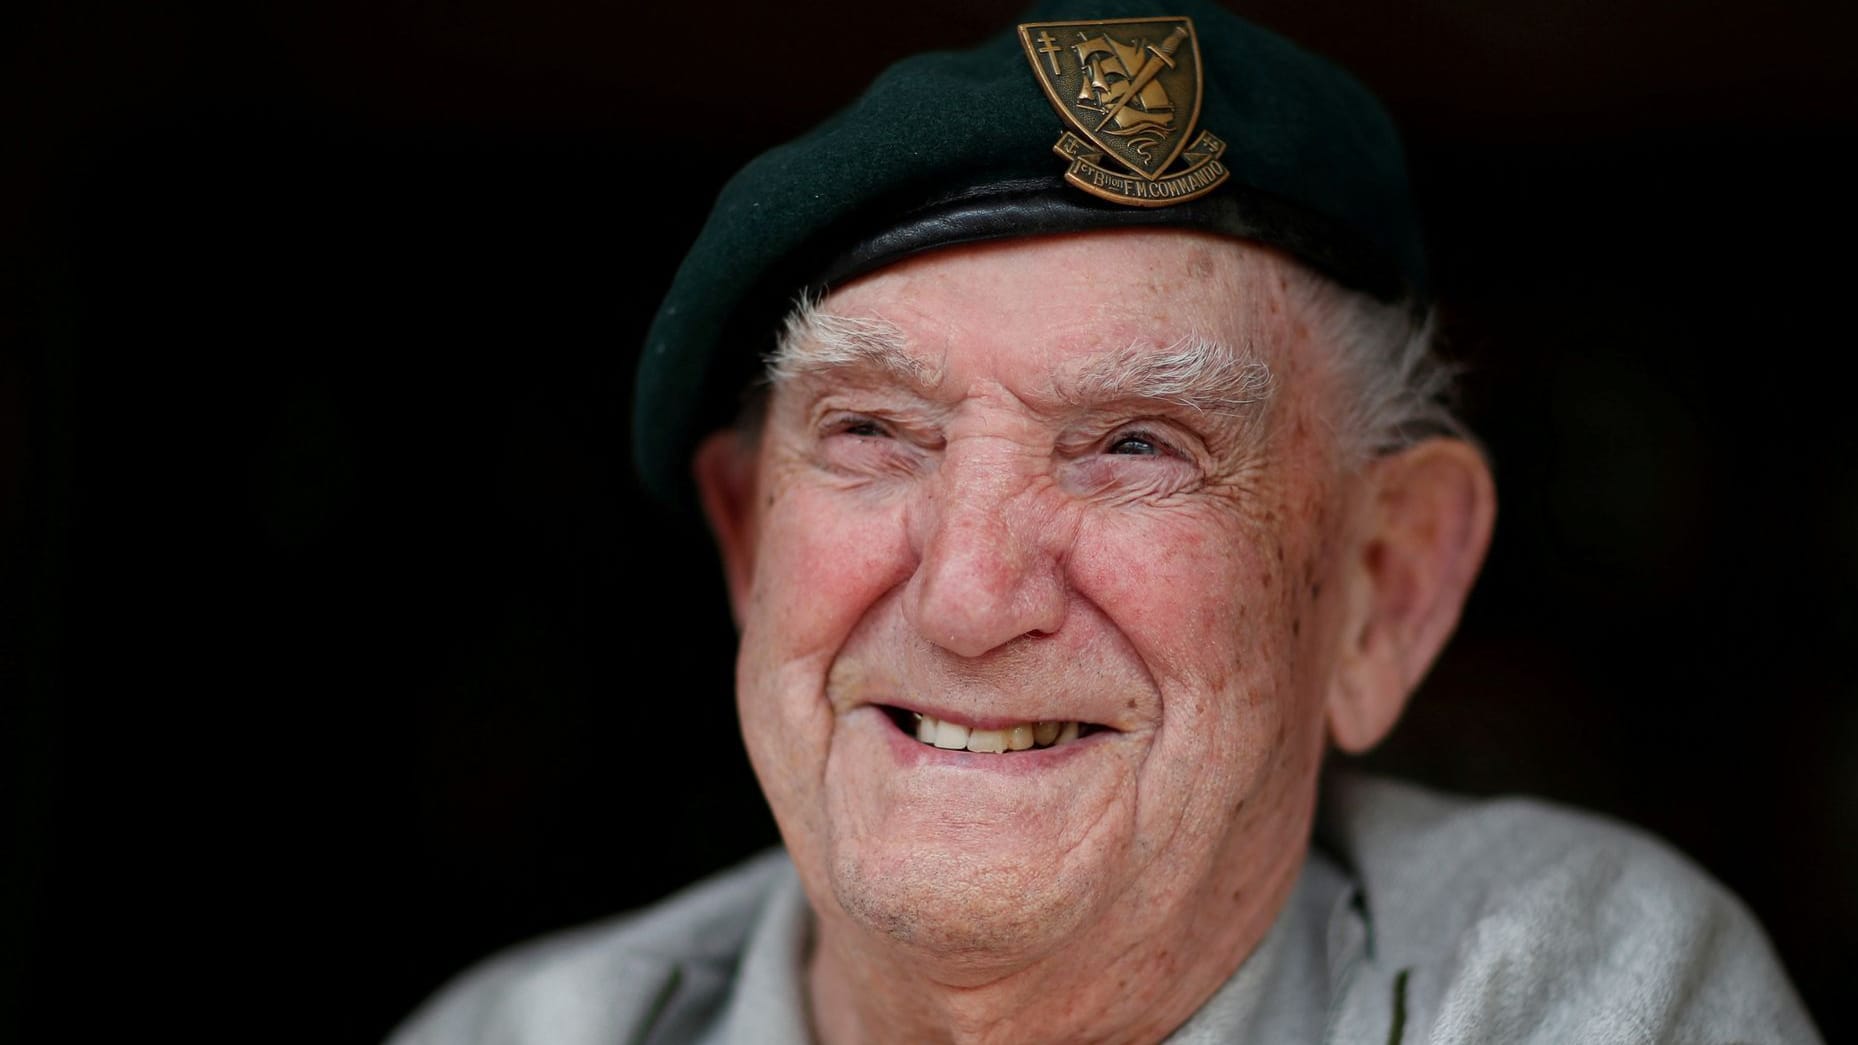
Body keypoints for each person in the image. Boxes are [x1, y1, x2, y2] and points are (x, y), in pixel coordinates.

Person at [390, 1, 1820, 1041]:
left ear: (1381, 591)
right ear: (750, 546)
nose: (965, 595)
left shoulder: (1581, 989)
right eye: (874, 433)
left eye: (1134, 444)